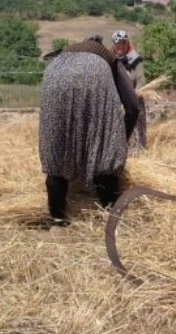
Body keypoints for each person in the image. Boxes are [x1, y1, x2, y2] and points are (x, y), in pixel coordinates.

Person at [39, 36, 140, 219]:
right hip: (95, 73)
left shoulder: (64, 55)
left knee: (58, 150)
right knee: (105, 155)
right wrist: (118, 143)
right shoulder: (107, 58)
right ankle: (110, 215)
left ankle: (57, 219)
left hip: (53, 74)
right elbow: (133, 107)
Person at [111, 30, 147, 150]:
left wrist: (137, 91)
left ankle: (137, 151)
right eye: (118, 44)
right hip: (116, 100)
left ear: (127, 44)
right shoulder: (109, 59)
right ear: (114, 45)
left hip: (133, 98)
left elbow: (141, 79)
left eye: (123, 43)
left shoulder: (134, 59)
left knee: (137, 126)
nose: (121, 46)